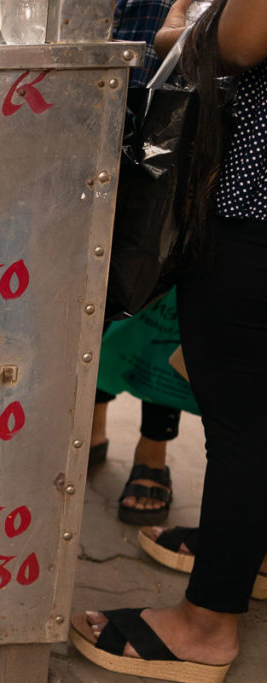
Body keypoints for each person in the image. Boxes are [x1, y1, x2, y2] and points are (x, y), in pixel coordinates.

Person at [71, 0, 267, 679]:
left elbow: (243, 40)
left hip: (259, 201)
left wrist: (182, 29)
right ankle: (248, 553)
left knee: (245, 417)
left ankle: (206, 623)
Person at [90, 0, 182, 529]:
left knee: (159, 282)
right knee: (90, 282)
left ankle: (153, 450)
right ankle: (92, 425)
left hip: (175, 114)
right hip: (89, 103)